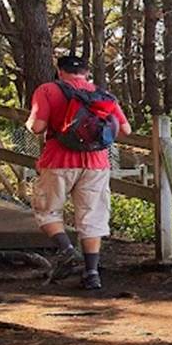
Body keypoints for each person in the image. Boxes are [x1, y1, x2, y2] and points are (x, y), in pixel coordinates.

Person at [27, 54, 131, 291]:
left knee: (46, 208)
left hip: (58, 160)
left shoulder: (47, 90)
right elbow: (125, 129)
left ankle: (67, 251)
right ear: (86, 72)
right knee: (92, 216)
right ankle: (92, 274)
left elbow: (37, 127)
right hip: (97, 163)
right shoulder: (103, 95)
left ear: (60, 70)